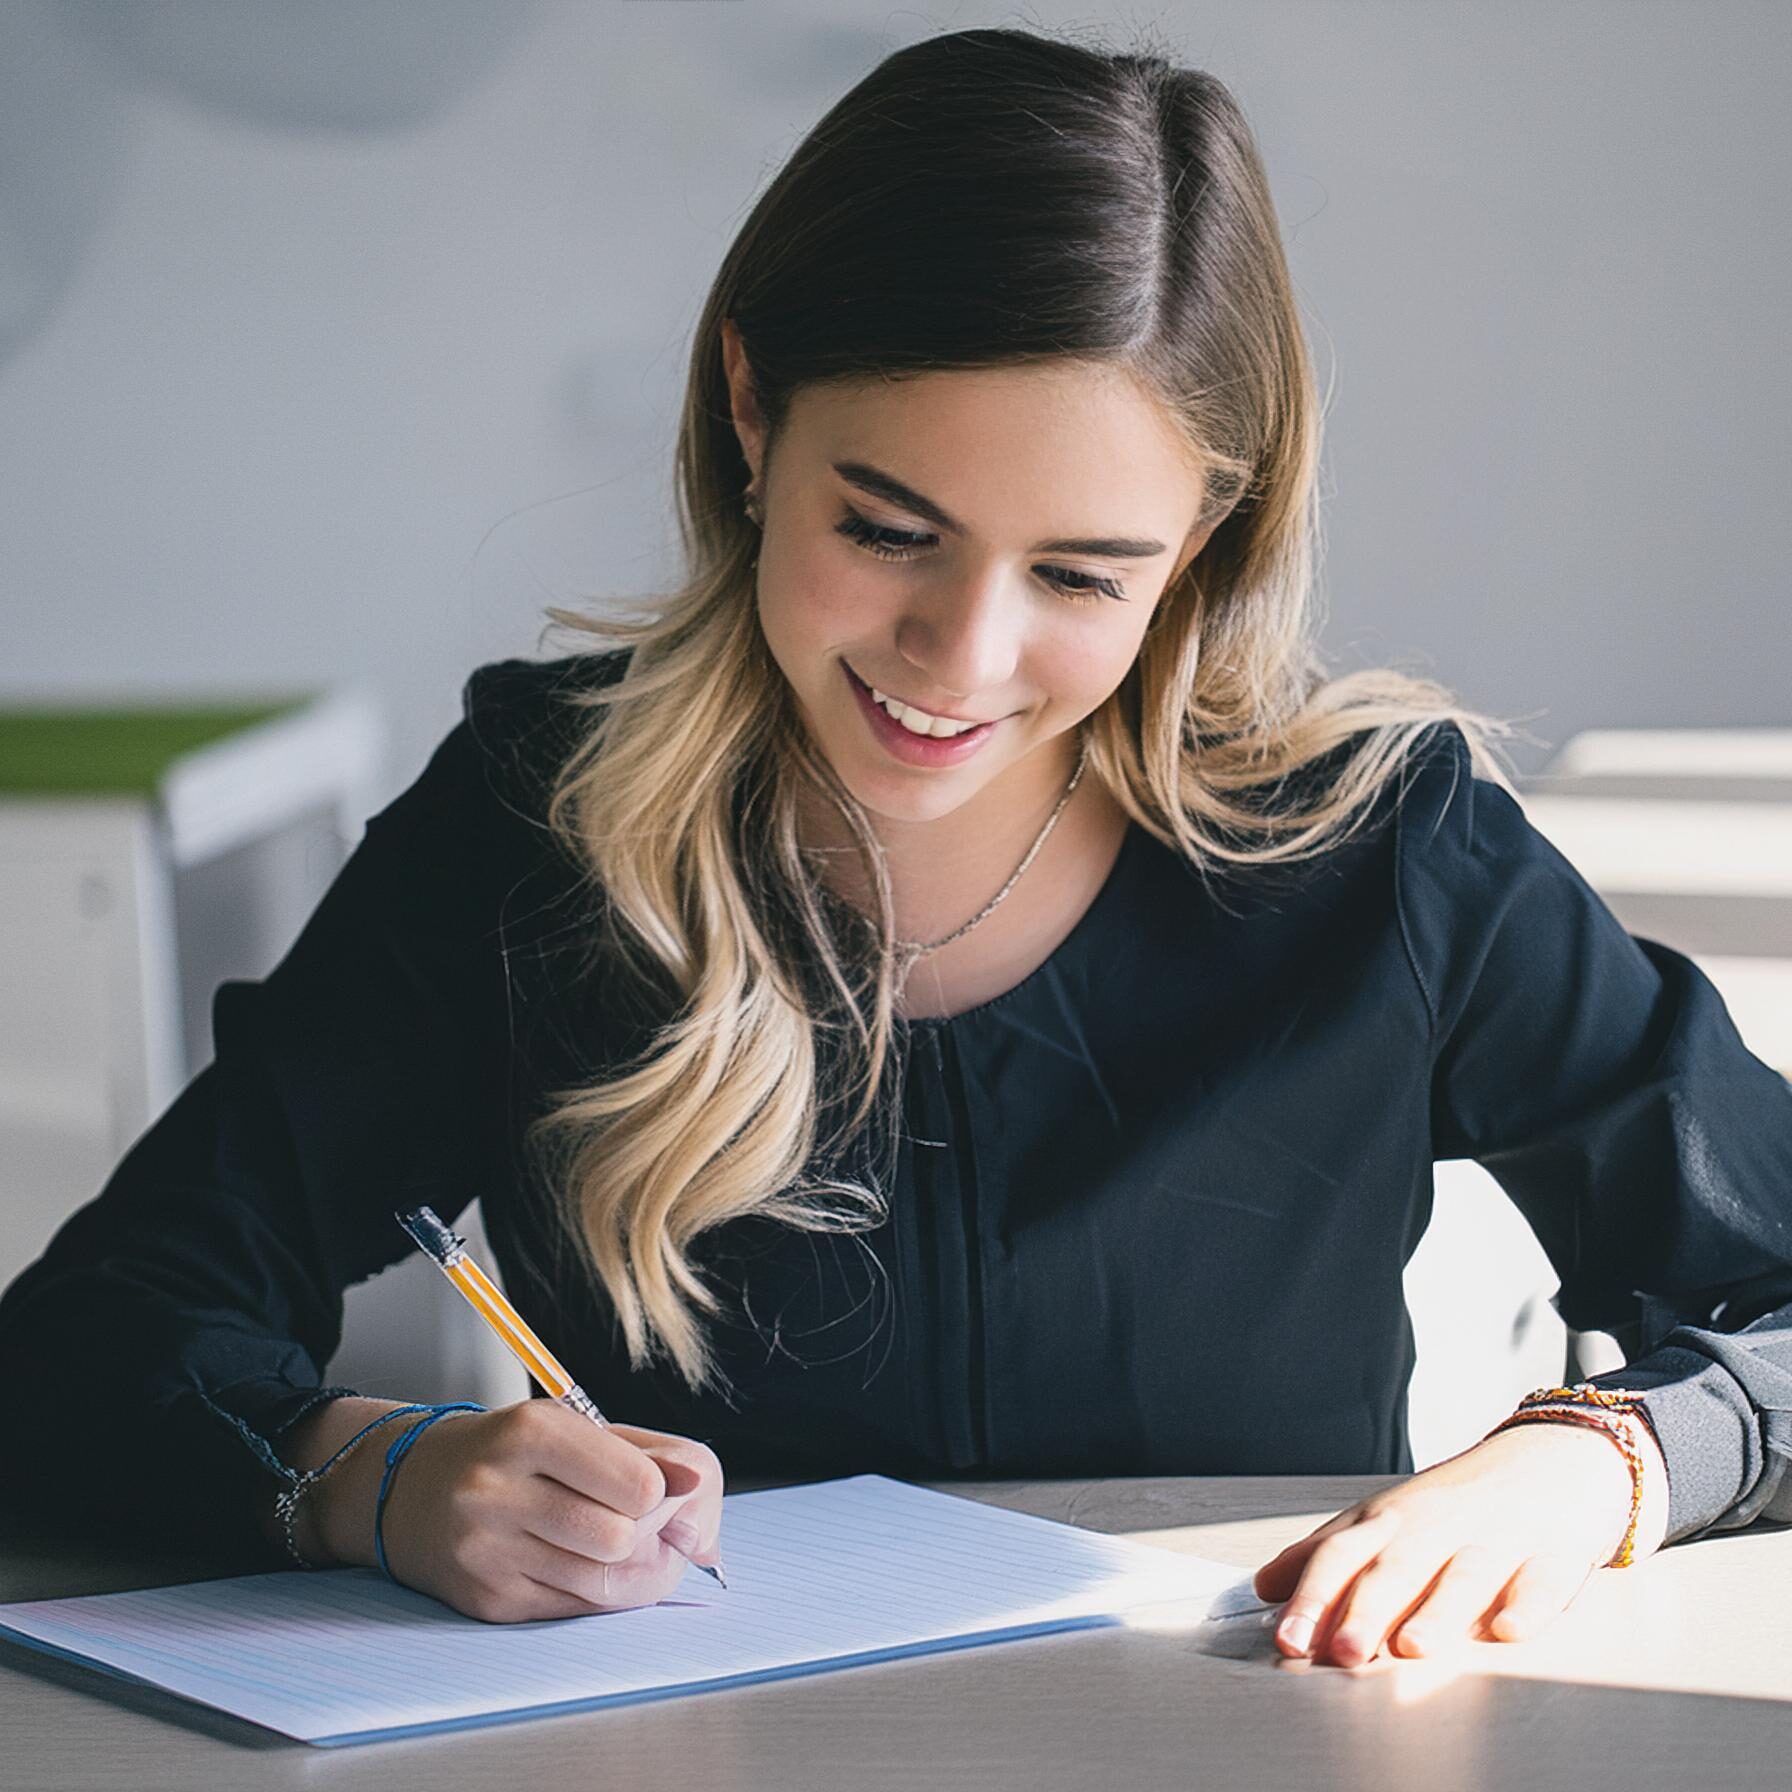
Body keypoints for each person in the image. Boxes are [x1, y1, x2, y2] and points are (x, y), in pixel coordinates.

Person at [2, 25, 1789, 1667]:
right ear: (750, 409)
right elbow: (91, 1339)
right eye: (889, 527)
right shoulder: (532, 828)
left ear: (1206, 536)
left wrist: (1604, 1456)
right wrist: (363, 1471)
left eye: (1083, 575)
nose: (961, 656)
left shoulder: (1376, 853)